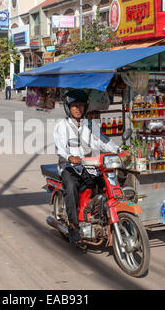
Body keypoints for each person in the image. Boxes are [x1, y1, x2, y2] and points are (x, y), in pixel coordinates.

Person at [54, 89, 129, 246]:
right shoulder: (62, 126)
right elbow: (60, 148)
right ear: (68, 107)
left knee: (111, 185)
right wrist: (70, 157)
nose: (78, 109)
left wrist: (120, 151)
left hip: (91, 167)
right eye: (74, 105)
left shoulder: (91, 125)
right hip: (71, 168)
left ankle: (106, 215)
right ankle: (73, 227)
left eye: (81, 105)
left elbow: (104, 141)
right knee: (72, 188)